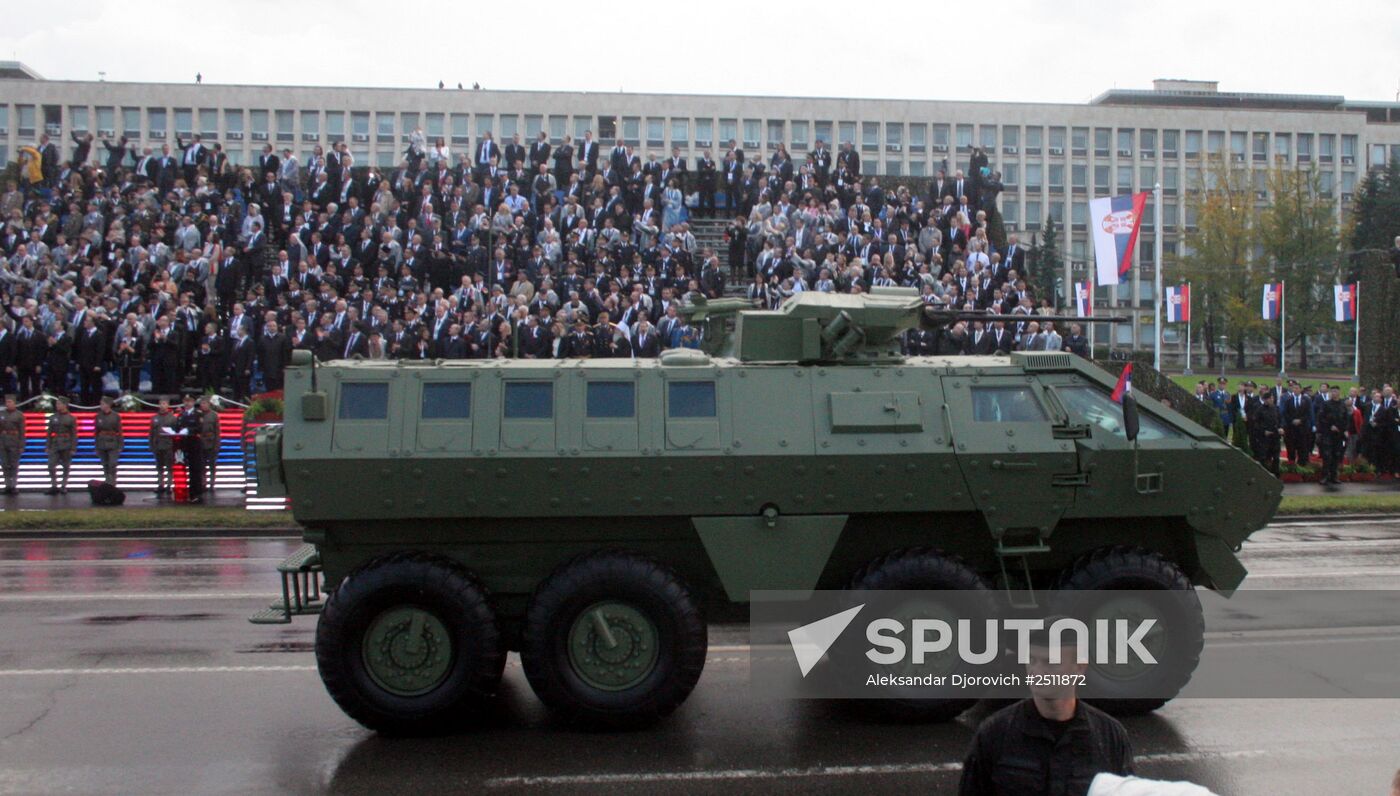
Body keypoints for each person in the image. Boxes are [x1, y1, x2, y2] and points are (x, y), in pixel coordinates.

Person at [959, 623, 1133, 795]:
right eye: (1032, 660)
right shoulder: (995, 734)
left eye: (1050, 662)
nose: (1037, 671)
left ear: (1079, 667)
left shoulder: (1110, 737)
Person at [1316, 385, 1348, 486]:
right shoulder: (1326, 404)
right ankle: (1325, 476)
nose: (1334, 393)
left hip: (1338, 435)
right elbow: (1321, 418)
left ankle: (1334, 476)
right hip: (1328, 434)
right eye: (1332, 391)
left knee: (1336, 455)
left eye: (1336, 391)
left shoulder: (1343, 405)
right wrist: (1330, 426)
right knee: (1327, 456)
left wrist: (1344, 429)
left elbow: (1346, 419)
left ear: (1339, 393)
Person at [177, 395, 206, 503]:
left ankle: (197, 493)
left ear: (193, 402)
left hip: (194, 444)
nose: (187, 403)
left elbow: (200, 428)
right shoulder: (181, 415)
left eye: (189, 401)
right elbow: (178, 427)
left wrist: (188, 430)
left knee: (195, 469)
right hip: (183, 444)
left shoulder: (198, 414)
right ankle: (185, 492)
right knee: (184, 468)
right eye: (185, 401)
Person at [45, 397, 77, 495]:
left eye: (59, 404)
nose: (57, 406)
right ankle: (54, 485)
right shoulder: (53, 417)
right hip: (55, 444)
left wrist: (73, 447)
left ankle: (63, 486)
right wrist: (48, 445)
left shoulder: (71, 418)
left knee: (66, 466)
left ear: (65, 405)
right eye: (57, 404)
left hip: (66, 444)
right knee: (51, 466)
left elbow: (74, 434)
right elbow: (49, 433)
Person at [1250, 390, 1282, 477]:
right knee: (1264, 457)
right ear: (1265, 400)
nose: (1270, 400)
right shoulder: (1260, 410)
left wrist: (1280, 428)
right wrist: (1263, 431)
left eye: (1271, 398)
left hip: (1275, 437)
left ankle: (1276, 474)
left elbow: (1279, 420)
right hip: (1265, 437)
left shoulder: (1276, 408)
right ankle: (1265, 475)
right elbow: (1255, 424)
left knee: (1276, 457)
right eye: (1268, 399)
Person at [149, 398, 177, 497]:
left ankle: (169, 485)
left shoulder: (173, 418)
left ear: (168, 405)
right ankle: (161, 484)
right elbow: (151, 433)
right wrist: (151, 445)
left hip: (168, 444)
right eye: (160, 403)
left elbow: (176, 433)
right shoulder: (154, 418)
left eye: (164, 403)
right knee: (159, 467)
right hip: (157, 445)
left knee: (169, 466)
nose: (162, 406)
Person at [93, 396, 123, 485]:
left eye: (102, 404)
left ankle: (113, 481)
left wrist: (121, 444)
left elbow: (120, 431)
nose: (101, 406)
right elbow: (96, 432)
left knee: (112, 464)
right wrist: (96, 445)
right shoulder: (98, 416)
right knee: (105, 464)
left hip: (113, 443)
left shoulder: (116, 416)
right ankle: (107, 481)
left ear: (108, 405)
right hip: (101, 443)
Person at [0, 395, 23, 494]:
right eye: (7, 402)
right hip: (3, 441)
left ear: (14, 403)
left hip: (14, 441)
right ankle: (7, 485)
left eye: (10, 402)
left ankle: (13, 485)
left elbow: (22, 431)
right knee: (5, 464)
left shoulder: (19, 415)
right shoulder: (1, 414)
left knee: (14, 464)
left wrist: (21, 445)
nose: (8, 404)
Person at [200, 397, 221, 493]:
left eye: (205, 403)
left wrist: (217, 444)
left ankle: (212, 483)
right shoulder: (198, 414)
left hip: (211, 442)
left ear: (209, 404)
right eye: (202, 403)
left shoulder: (214, 415)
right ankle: (204, 482)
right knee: (202, 465)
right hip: (201, 442)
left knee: (212, 464)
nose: (203, 405)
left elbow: (217, 431)